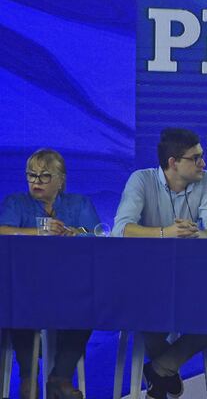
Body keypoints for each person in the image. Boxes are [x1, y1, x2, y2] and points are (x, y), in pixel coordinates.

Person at [113, 128, 207, 398]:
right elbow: (122, 229)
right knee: (140, 308)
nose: (203, 163)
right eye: (196, 158)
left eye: (202, 156)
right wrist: (165, 232)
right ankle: (166, 371)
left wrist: (199, 234)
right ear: (174, 162)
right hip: (146, 281)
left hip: (192, 281)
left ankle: (162, 368)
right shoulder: (141, 180)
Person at [0, 149, 100, 399]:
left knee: (92, 303)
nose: (35, 181)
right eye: (31, 175)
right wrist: (38, 231)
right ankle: (28, 379)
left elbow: (97, 235)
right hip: (26, 283)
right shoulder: (17, 203)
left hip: (69, 284)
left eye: (44, 176)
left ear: (61, 180)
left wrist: (74, 232)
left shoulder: (79, 204)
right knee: (19, 302)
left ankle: (60, 377)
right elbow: (2, 230)